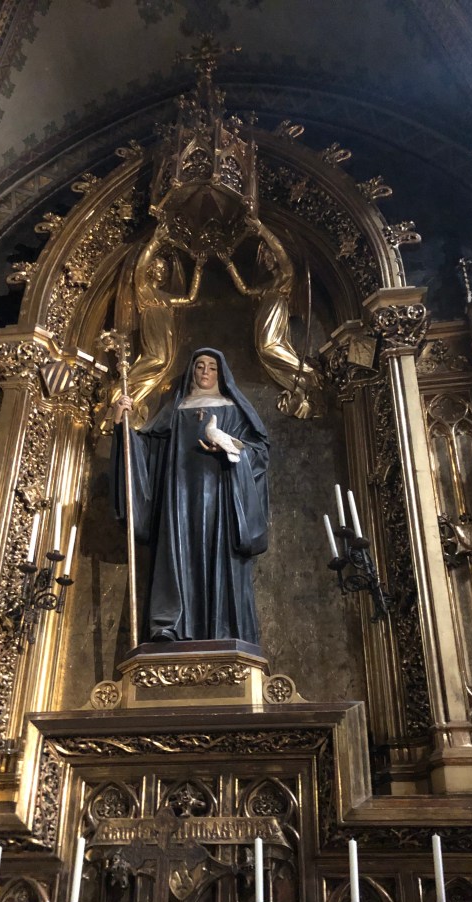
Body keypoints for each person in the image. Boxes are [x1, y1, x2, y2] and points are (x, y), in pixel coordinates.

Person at [111, 349, 269, 644]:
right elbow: (145, 455)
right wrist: (123, 425)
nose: (205, 372)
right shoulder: (174, 411)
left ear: (221, 374)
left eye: (212, 367)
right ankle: (170, 625)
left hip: (222, 500)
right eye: (199, 366)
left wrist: (229, 448)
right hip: (178, 501)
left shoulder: (234, 410)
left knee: (220, 557)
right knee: (176, 553)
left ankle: (223, 629)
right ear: (192, 372)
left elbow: (258, 453)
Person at [109, 223, 206, 429]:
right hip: (154, 330)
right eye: (159, 267)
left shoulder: (165, 297)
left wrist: (198, 268)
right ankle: (121, 386)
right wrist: (154, 242)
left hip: (166, 335)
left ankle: (132, 397)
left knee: (161, 366)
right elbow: (140, 268)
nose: (162, 271)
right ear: (151, 269)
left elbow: (190, 298)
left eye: (164, 269)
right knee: (156, 360)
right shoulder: (144, 290)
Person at [225, 216, 321, 419]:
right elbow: (245, 290)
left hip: (275, 316)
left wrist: (261, 229)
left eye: (269, 255)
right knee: (265, 352)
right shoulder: (267, 286)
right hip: (263, 318)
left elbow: (280, 252)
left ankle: (308, 372)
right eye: (265, 257)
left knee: (269, 347)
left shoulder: (286, 277)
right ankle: (300, 384)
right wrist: (228, 263)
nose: (267, 259)